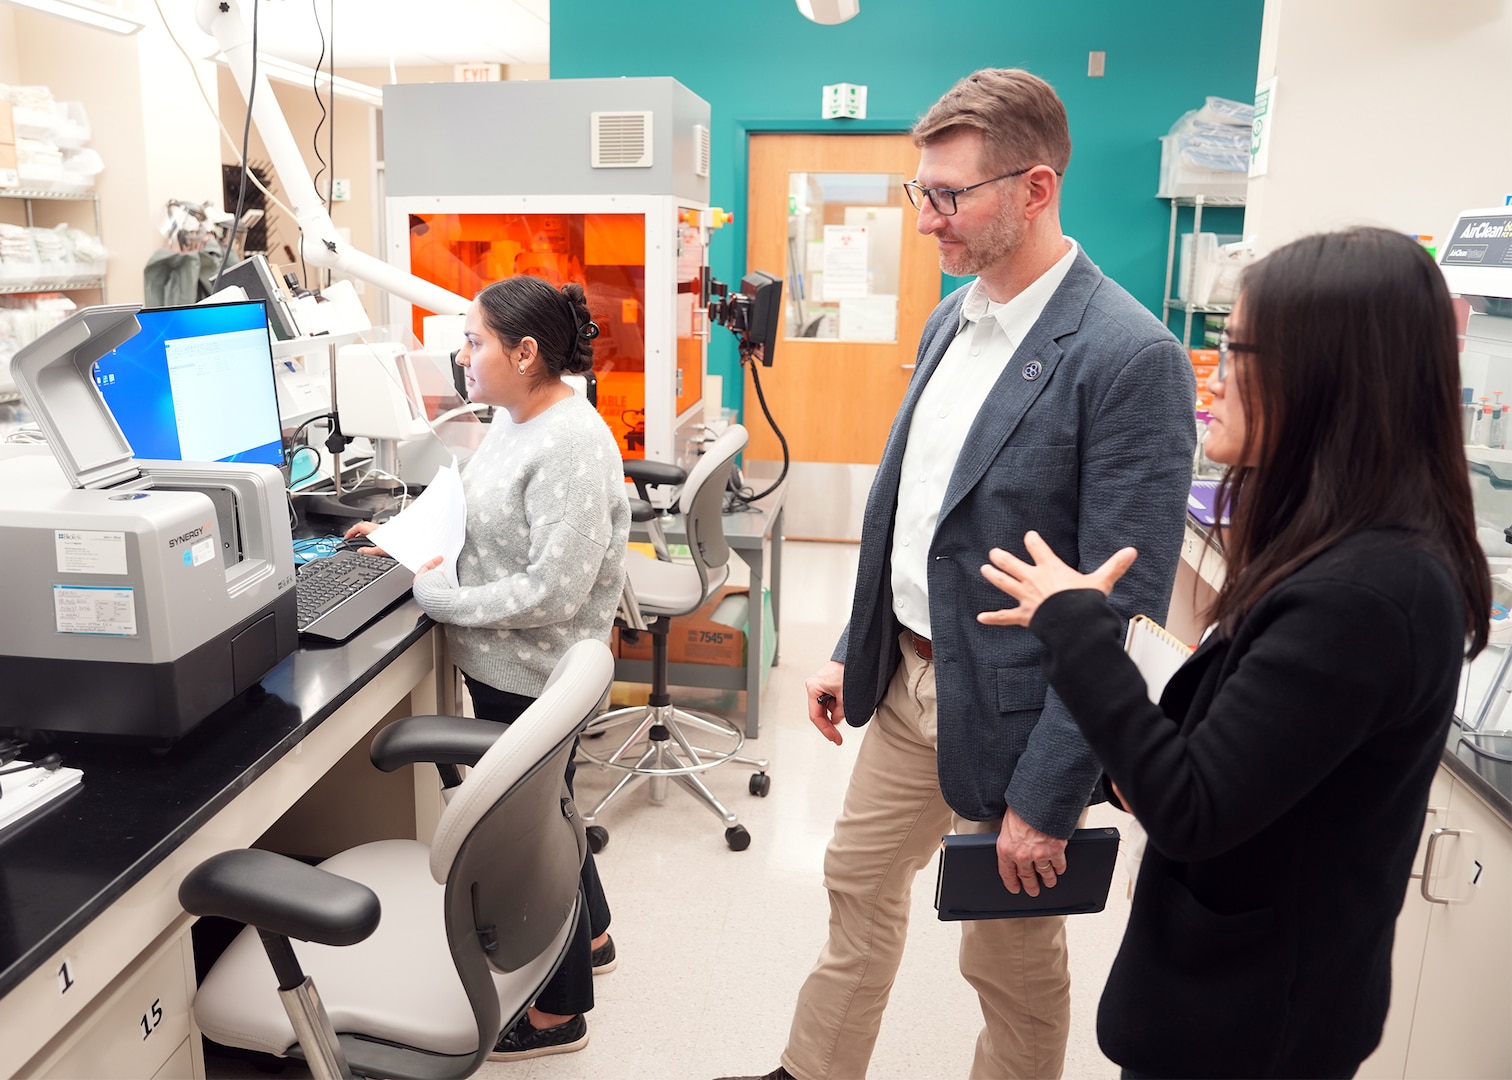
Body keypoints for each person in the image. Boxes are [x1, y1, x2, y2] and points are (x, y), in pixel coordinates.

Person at [721, 69, 1196, 1080]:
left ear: (1034, 189)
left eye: (948, 195)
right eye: (920, 191)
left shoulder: (1127, 356)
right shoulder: (953, 319)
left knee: (1007, 954)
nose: (925, 218)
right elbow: (916, 518)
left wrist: (1052, 794)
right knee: (856, 879)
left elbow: (1122, 608)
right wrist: (855, 649)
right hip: (909, 679)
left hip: (1025, 708)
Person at [978, 227, 1488, 1078]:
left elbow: (1194, 807)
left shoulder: (1366, 594)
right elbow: (1246, 752)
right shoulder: (1329, 547)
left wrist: (1076, 626)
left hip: (1256, 1025)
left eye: (1237, 350)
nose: (1210, 375)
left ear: (1323, 374)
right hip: (1229, 992)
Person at [346, 275, 631, 1060]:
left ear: (525, 352)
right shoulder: (517, 417)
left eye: (474, 342)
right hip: (510, 661)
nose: (462, 355)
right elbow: (475, 509)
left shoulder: (570, 445)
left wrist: (440, 598)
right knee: (555, 809)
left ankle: (559, 1013)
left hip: (533, 672)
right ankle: (595, 936)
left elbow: (553, 590)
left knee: (531, 833)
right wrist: (402, 535)